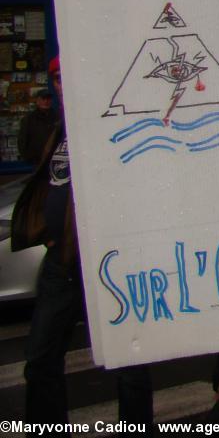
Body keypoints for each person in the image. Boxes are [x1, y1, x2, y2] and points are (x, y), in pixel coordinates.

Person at [11, 57, 155, 426]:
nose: (61, 84)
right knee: (40, 358)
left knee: (128, 360)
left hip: (109, 262)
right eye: (55, 78)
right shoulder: (61, 129)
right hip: (62, 262)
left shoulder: (109, 121)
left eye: (67, 76)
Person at [18, 87, 58, 164]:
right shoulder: (29, 119)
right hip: (37, 161)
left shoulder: (57, 117)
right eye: (43, 99)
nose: (46, 101)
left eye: (48, 99)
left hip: (55, 160)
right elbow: (22, 141)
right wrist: (29, 158)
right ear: (37, 101)